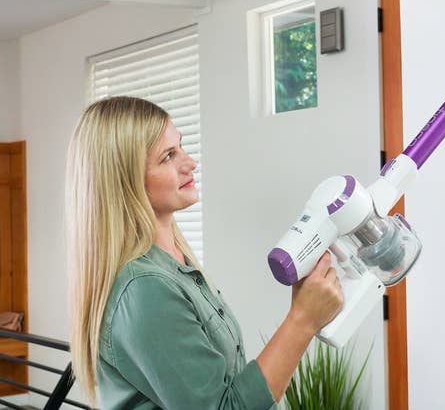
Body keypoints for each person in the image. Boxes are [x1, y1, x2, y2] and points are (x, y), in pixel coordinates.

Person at [65, 96, 343, 409]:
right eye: (168, 156)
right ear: (124, 180)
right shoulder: (143, 289)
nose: (190, 162)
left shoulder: (175, 263)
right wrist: (302, 319)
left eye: (180, 146)